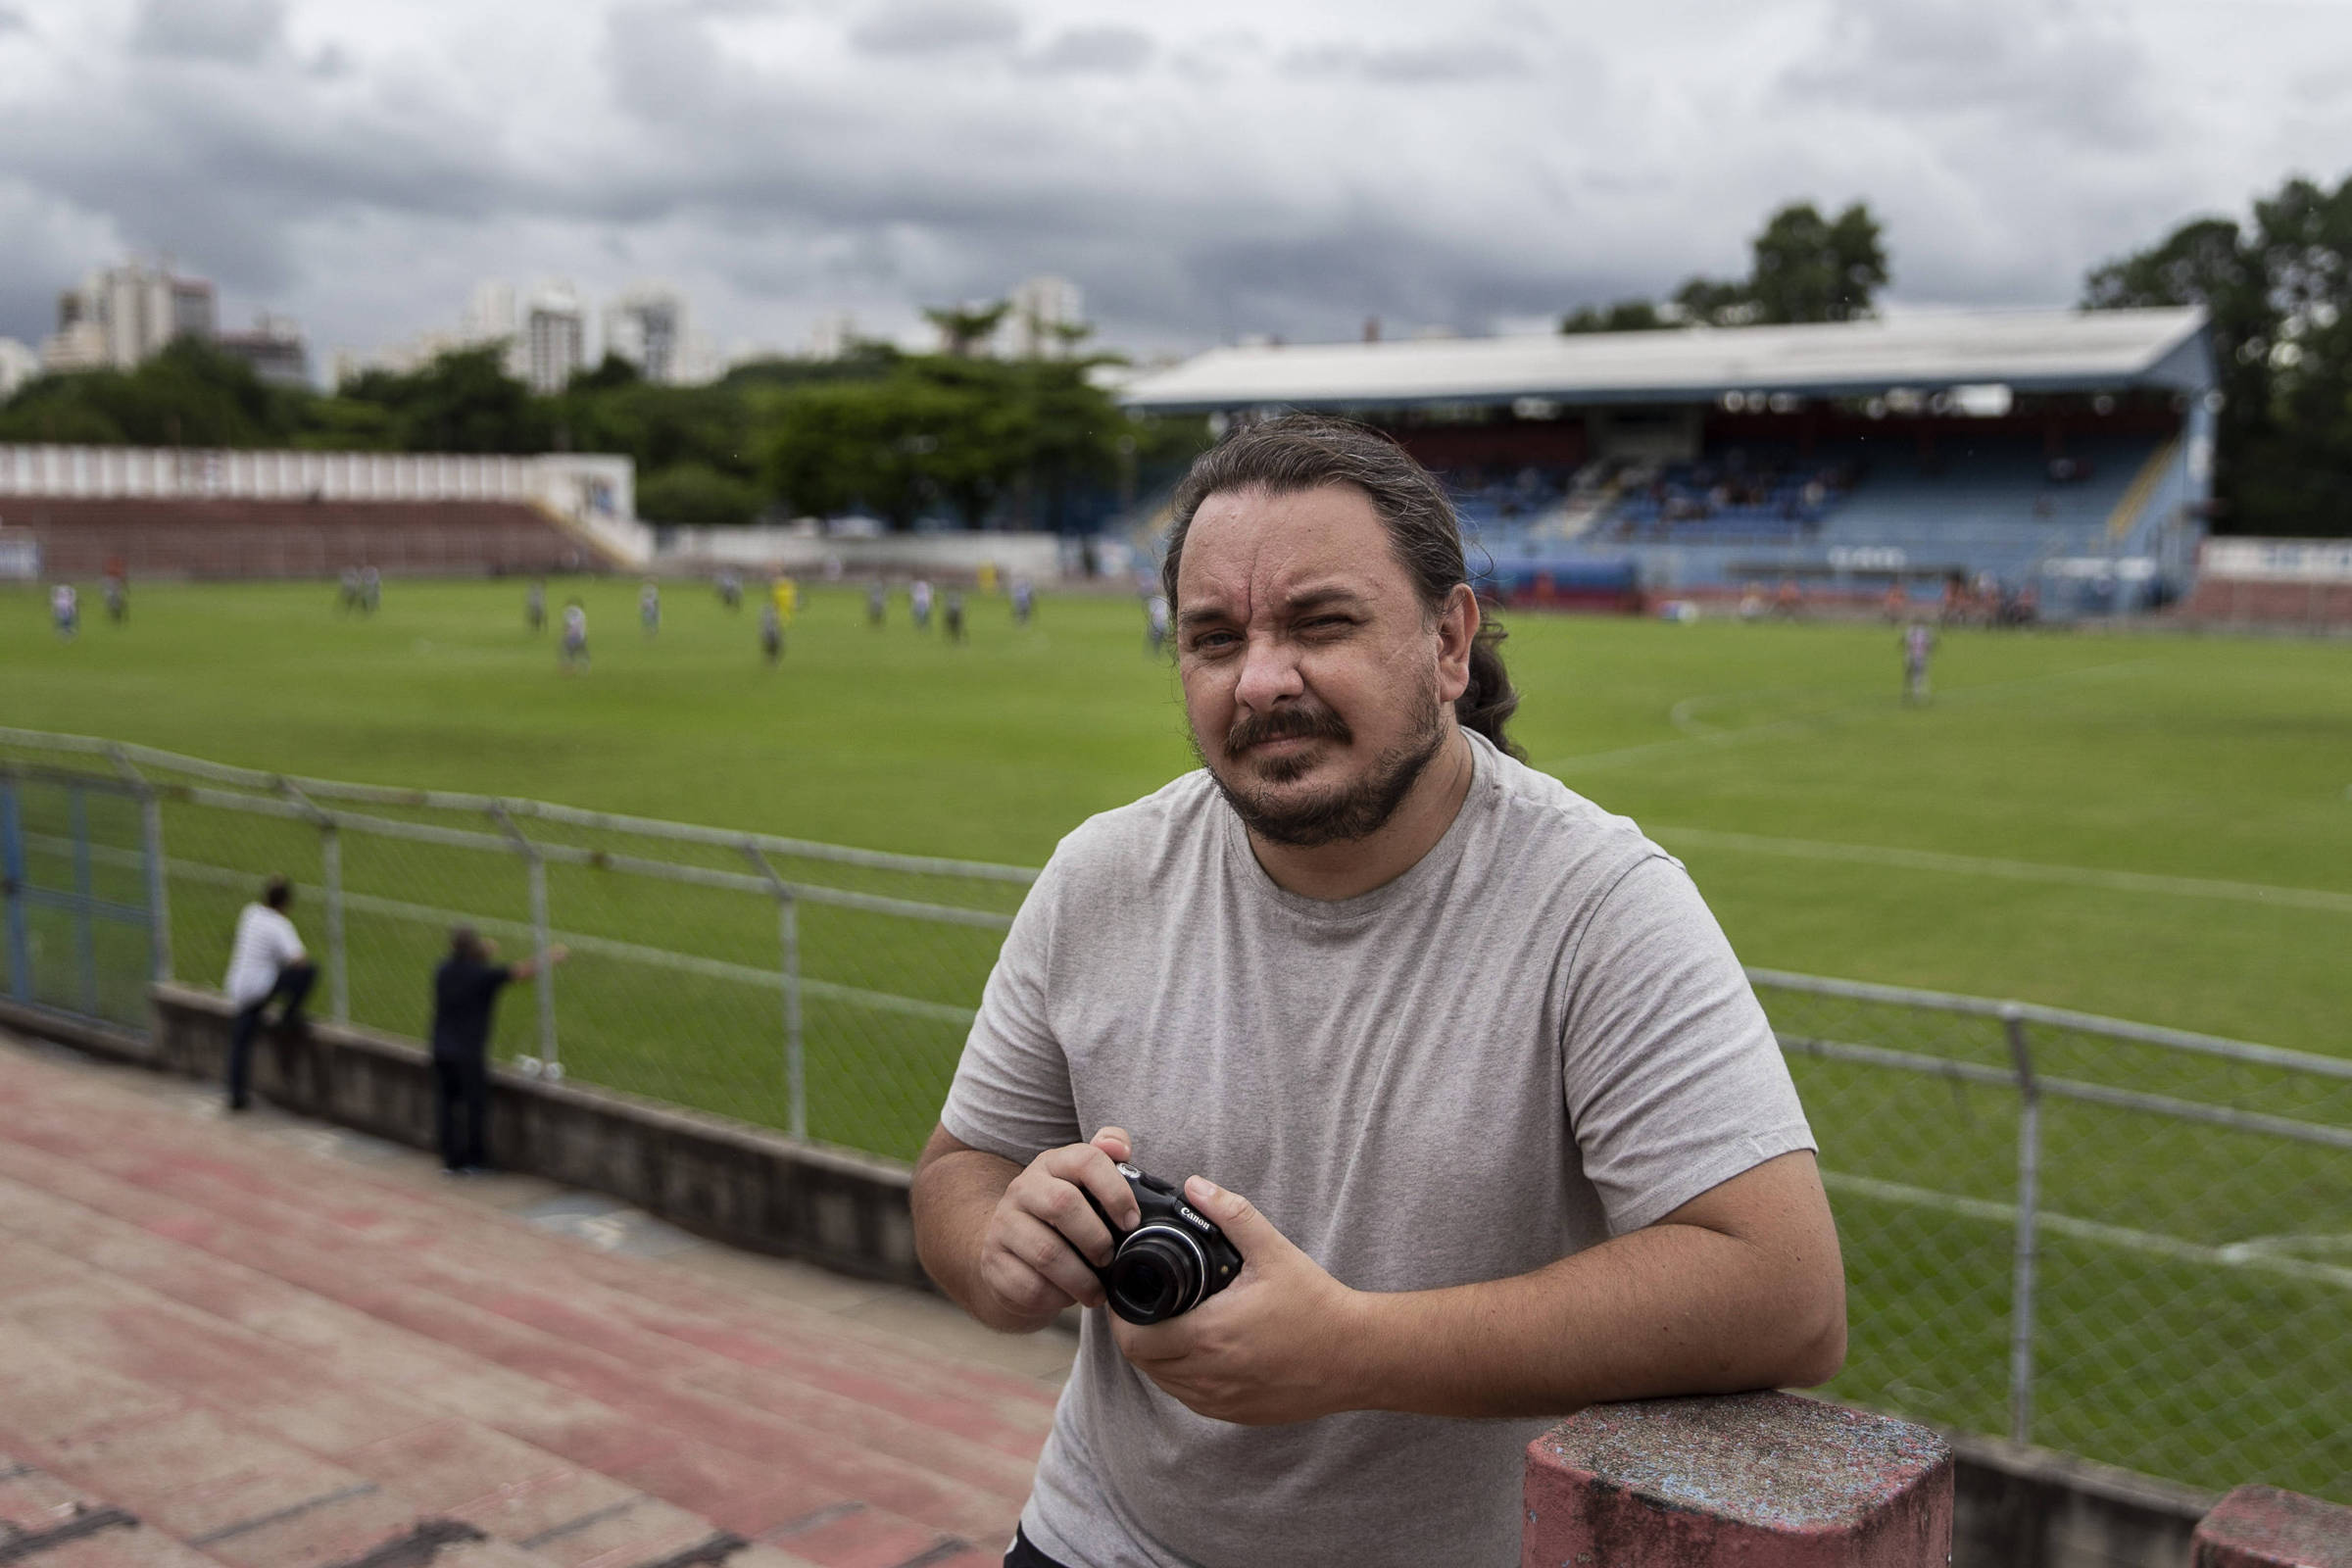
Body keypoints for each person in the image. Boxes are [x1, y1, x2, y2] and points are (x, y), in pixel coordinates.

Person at [910, 416, 1842, 1568]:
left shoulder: (1600, 904)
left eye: (1321, 622)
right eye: (1213, 639)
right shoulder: (1103, 873)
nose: (1261, 679)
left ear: (1450, 643)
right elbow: (961, 1169)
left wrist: (1354, 1349)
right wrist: (1000, 1250)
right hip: (1101, 1539)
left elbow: (1784, 1291)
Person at [430, 927, 567, 1173]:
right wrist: (550, 957)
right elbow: (520, 972)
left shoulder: (443, 970)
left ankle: (451, 1160)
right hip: (467, 1052)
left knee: (447, 1105)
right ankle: (475, 1160)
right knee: (475, 1106)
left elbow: (468, 962)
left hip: (441, 1047)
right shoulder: (482, 977)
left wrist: (481, 951)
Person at [221, 876, 318, 1111]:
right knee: (309, 971)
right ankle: (289, 1016)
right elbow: (299, 959)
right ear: (285, 903)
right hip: (259, 987)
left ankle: (236, 1094)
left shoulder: (250, 913)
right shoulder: (279, 925)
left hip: (237, 985)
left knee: (241, 1037)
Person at [1902, 619, 1936, 705]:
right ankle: (1919, 692)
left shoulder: (1910, 631)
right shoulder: (1927, 632)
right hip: (1921, 657)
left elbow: (1906, 643)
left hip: (1911, 656)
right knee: (1920, 674)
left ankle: (1914, 692)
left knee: (1912, 674)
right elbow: (1930, 645)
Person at [560, 599, 589, 671]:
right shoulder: (581, 613)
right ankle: (584, 664)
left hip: (573, 636)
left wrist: (565, 633)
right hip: (580, 635)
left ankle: (573, 665)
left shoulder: (567, 613)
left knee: (571, 651)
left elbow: (568, 625)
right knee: (581, 651)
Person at [1144, 591, 1170, 655]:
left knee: (1160, 638)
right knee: (1155, 638)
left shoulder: (1163, 600)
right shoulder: (1155, 600)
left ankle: (1158, 650)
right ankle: (1155, 650)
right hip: (1157, 623)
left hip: (1161, 623)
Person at [760, 598, 784, 664]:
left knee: (770, 646)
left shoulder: (765, 611)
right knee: (774, 646)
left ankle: (770, 659)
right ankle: (772, 659)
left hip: (767, 632)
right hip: (771, 632)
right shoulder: (773, 613)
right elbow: (777, 622)